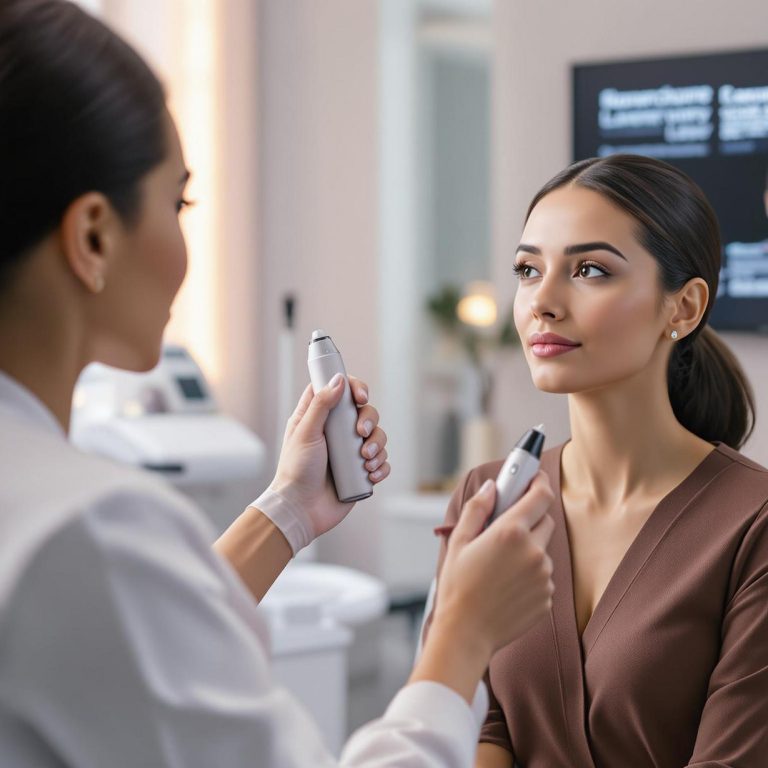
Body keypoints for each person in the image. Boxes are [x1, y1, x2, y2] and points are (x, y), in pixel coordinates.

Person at [0, 2, 557, 766]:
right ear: (93, 235)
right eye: (179, 202)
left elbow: (133, 645)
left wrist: (289, 512)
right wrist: (459, 639)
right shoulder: (86, 531)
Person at [427, 153, 768, 768]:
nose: (543, 302)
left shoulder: (754, 524)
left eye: (589, 270)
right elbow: (472, 717)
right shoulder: (488, 497)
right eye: (528, 270)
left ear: (684, 308)